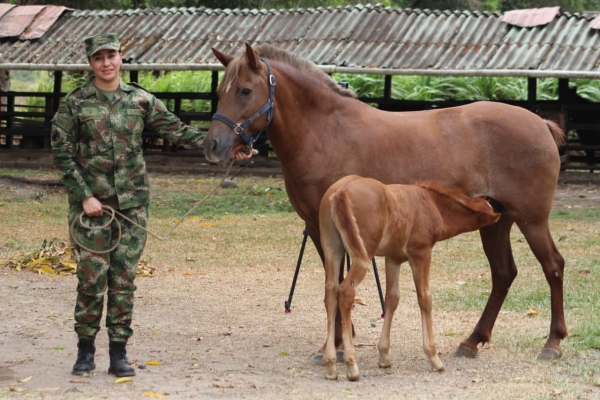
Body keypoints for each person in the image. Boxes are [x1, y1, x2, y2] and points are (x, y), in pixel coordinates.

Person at [51, 33, 251, 377]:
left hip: (132, 207)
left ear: (121, 57)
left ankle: (118, 353)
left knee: (124, 280)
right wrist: (84, 195)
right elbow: (62, 153)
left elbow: (178, 131)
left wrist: (227, 146)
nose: (106, 63)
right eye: (99, 58)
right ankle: (85, 351)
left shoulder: (141, 100)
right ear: (90, 62)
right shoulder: (75, 103)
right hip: (91, 209)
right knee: (90, 280)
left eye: (111, 55)